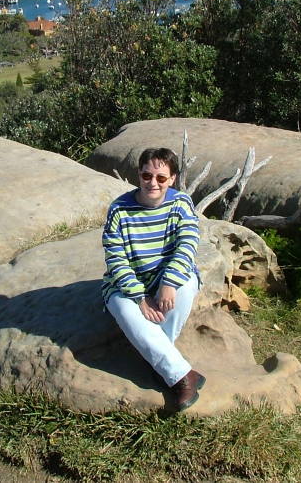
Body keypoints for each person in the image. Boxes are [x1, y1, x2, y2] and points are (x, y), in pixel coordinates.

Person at [102, 147, 205, 411]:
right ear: (139, 174)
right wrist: (139, 296)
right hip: (128, 283)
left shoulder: (181, 203)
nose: (153, 183)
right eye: (147, 176)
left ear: (172, 179)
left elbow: (188, 245)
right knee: (125, 311)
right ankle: (182, 376)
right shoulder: (119, 210)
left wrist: (168, 283)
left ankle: (161, 363)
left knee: (182, 291)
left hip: (170, 276)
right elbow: (115, 259)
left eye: (161, 178)